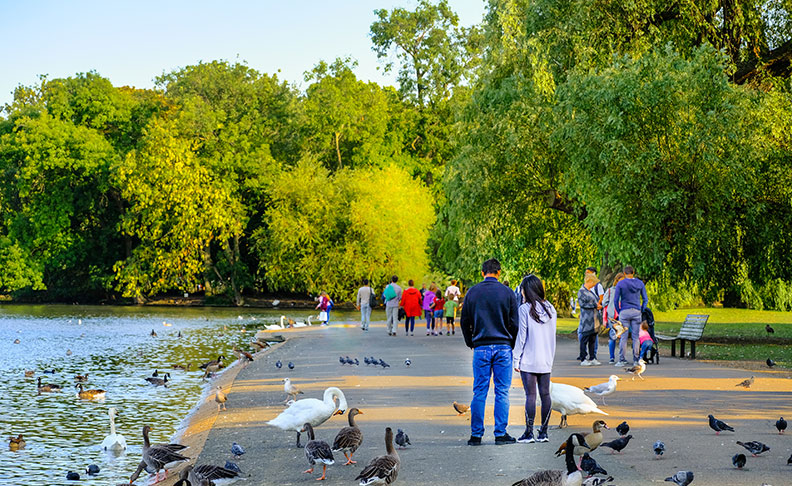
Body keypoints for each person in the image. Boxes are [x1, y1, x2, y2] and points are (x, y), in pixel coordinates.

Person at [461, 258, 519, 446]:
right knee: (502, 391)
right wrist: (511, 342)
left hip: (481, 346)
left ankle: (476, 435)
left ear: (482, 272)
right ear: (499, 272)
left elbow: (464, 321)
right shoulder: (508, 293)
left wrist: (471, 341)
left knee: (479, 391)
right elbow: (515, 323)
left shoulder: (473, 292)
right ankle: (500, 433)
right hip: (503, 345)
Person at [512, 275, 556, 443]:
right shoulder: (551, 309)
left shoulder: (524, 309)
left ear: (527, 290)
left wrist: (516, 359)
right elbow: (552, 337)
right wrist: (550, 358)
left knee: (530, 395)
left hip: (529, 359)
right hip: (546, 359)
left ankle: (529, 433)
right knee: (545, 395)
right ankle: (543, 433)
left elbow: (522, 337)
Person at [613, 265, 648, 364]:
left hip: (624, 311)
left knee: (623, 337)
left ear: (624, 273)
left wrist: (619, 311)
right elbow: (645, 299)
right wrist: (641, 309)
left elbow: (616, 300)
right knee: (636, 337)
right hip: (636, 311)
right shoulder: (640, 283)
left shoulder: (621, 284)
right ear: (633, 273)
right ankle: (636, 360)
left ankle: (622, 360)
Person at [602, 272, 627, 364]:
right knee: (613, 337)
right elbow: (604, 302)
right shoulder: (611, 290)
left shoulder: (622, 291)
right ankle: (613, 357)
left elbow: (605, 302)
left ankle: (619, 357)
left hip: (620, 315)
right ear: (616, 280)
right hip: (614, 317)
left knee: (620, 337)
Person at [577, 274, 601, 366]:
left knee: (593, 340)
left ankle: (592, 357)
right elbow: (583, 304)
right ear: (589, 281)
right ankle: (583, 358)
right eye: (594, 283)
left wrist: (598, 306)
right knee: (584, 339)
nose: (594, 284)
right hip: (587, 320)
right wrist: (595, 305)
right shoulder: (581, 291)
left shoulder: (591, 291)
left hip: (594, 319)